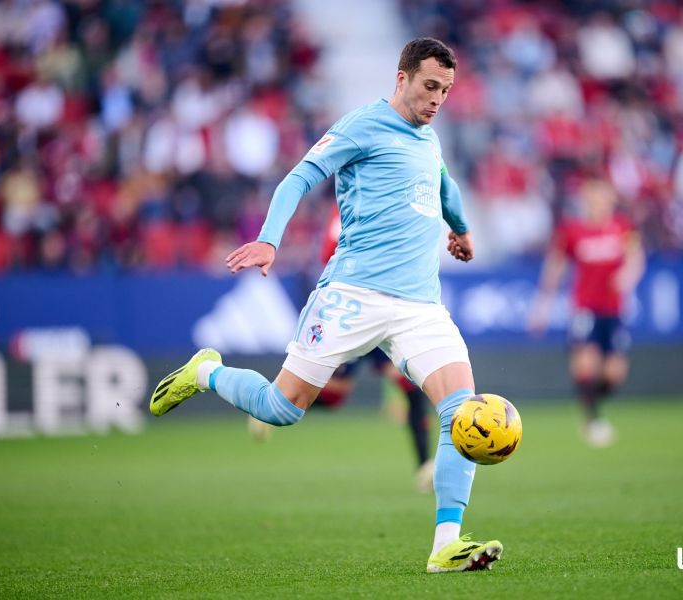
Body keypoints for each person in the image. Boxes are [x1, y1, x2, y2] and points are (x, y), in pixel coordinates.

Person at [150, 38, 503, 573]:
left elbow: (445, 185)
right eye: (430, 86)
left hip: (420, 306)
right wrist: (270, 237)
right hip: (353, 294)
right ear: (402, 78)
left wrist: (462, 229)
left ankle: (445, 546)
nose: (437, 100)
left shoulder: (428, 140)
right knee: (281, 408)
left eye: (446, 91)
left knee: (463, 412)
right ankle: (207, 373)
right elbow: (301, 177)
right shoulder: (363, 125)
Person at [248, 207, 436, 495]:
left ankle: (425, 466)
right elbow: (332, 254)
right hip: (353, 311)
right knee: (334, 397)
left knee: (410, 383)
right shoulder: (349, 206)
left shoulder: (387, 197)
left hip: (385, 307)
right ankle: (273, 402)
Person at [528, 175, 645, 447]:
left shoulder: (622, 227)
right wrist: (542, 305)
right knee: (586, 362)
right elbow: (555, 267)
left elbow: (636, 258)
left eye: (601, 197)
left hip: (615, 309)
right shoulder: (572, 231)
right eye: (591, 198)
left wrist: (627, 276)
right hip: (585, 308)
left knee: (614, 374)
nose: (596, 203)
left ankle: (590, 405)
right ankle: (592, 420)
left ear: (610, 200)